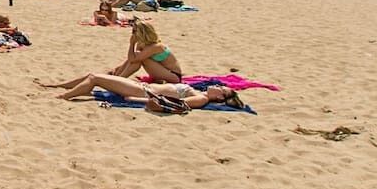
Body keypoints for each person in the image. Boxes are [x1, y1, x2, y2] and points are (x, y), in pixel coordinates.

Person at [35, 73, 243, 110]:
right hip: (141, 88)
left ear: (220, 97)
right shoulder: (200, 93)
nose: (217, 86)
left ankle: (63, 95)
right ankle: (59, 86)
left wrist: (136, 99)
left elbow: (175, 104)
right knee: (94, 75)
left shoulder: (201, 99)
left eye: (220, 88)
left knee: (95, 78)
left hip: (142, 92)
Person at [110, 20, 184, 82]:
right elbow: (132, 59)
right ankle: (117, 77)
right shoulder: (142, 44)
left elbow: (133, 59)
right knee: (137, 57)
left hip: (173, 76)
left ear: (142, 33)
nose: (132, 33)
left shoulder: (156, 47)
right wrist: (120, 68)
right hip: (162, 72)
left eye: (134, 31)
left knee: (140, 58)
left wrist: (132, 44)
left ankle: (119, 79)